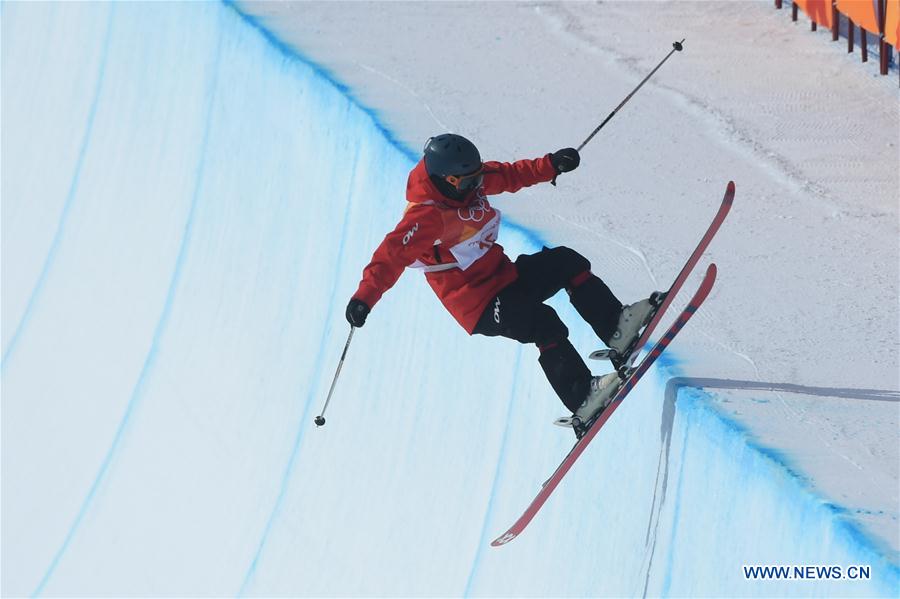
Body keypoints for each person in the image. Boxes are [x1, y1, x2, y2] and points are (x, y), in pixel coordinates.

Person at [345, 133, 654, 430]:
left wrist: (551, 165)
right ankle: (582, 396)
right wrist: (363, 299)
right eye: (468, 182)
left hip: (506, 277)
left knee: (565, 262)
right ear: (446, 181)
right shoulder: (426, 217)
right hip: (477, 303)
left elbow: (508, 175)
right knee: (542, 322)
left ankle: (616, 327)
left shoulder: (469, 183)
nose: (477, 185)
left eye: (477, 178)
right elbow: (390, 257)